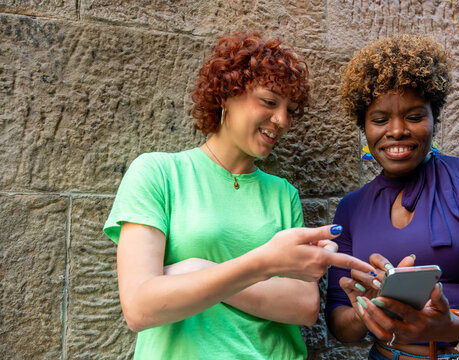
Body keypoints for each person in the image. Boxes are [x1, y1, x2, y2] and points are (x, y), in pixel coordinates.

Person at [103, 31, 374, 360]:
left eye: (290, 110)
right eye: (270, 102)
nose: (282, 120)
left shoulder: (282, 194)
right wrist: (263, 265)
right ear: (227, 94)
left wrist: (196, 269)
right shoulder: (158, 173)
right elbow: (140, 307)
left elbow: (304, 307)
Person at [326, 34, 459, 360]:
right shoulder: (351, 209)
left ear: (434, 120)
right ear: (365, 128)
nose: (397, 130)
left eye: (414, 116)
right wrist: (365, 310)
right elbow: (340, 325)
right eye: (380, 119)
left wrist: (455, 325)